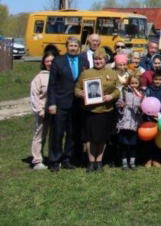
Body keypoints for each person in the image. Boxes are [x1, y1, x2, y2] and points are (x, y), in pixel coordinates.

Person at [74, 49, 120, 172]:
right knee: (90, 137)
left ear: (105, 60)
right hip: (90, 111)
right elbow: (77, 88)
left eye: (100, 59)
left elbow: (117, 90)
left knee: (102, 137)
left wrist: (111, 96)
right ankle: (90, 161)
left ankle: (99, 161)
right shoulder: (86, 73)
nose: (98, 61)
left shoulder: (112, 73)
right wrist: (80, 93)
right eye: (96, 59)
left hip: (106, 110)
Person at [47, 36, 88, 171]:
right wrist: (52, 103)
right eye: (71, 46)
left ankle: (67, 159)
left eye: (75, 46)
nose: (73, 48)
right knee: (58, 133)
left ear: (79, 48)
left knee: (73, 133)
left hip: (77, 104)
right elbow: (52, 85)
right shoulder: (58, 62)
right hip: (61, 103)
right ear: (66, 46)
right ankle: (54, 160)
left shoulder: (84, 61)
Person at [30, 52, 54, 170]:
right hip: (43, 111)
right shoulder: (39, 78)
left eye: (51, 61)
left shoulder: (57, 75)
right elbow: (34, 96)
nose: (50, 63)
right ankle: (37, 160)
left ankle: (52, 157)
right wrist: (39, 111)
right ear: (43, 63)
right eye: (47, 61)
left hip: (55, 111)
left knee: (54, 136)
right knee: (40, 136)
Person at [116, 74, 143, 170]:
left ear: (139, 84)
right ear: (128, 83)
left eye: (136, 83)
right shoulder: (124, 92)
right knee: (123, 144)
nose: (134, 85)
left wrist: (141, 108)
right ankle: (124, 162)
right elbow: (118, 104)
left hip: (135, 122)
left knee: (133, 144)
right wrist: (121, 106)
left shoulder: (141, 93)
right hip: (124, 122)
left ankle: (132, 162)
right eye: (132, 83)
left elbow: (144, 107)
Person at [143, 69, 161, 167]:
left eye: (160, 80)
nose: (157, 82)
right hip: (148, 119)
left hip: (160, 119)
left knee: (158, 140)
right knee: (148, 141)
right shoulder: (148, 90)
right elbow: (145, 104)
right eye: (156, 80)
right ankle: (148, 159)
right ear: (152, 80)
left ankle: (157, 159)